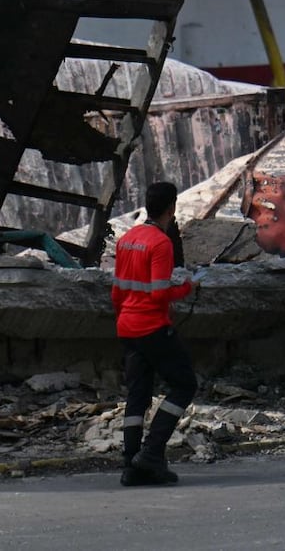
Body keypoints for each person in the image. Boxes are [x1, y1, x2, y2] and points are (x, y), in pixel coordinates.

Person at [111, 181, 199, 486]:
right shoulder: (161, 244)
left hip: (127, 326)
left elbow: (117, 292)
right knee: (184, 384)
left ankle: (131, 465)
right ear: (172, 208)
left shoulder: (127, 239)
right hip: (151, 327)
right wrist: (189, 287)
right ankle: (151, 453)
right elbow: (160, 293)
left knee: (137, 396)